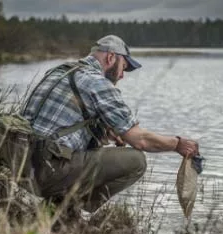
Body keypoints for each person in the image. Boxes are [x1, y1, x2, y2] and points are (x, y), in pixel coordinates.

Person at [22, 35, 199, 215]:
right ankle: (67, 210)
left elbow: (60, 123)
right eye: (123, 67)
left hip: (20, 164)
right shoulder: (98, 82)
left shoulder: (59, 71)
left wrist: (101, 133)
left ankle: (54, 208)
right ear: (111, 57)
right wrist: (177, 144)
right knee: (136, 161)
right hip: (46, 171)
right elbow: (141, 140)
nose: (122, 75)